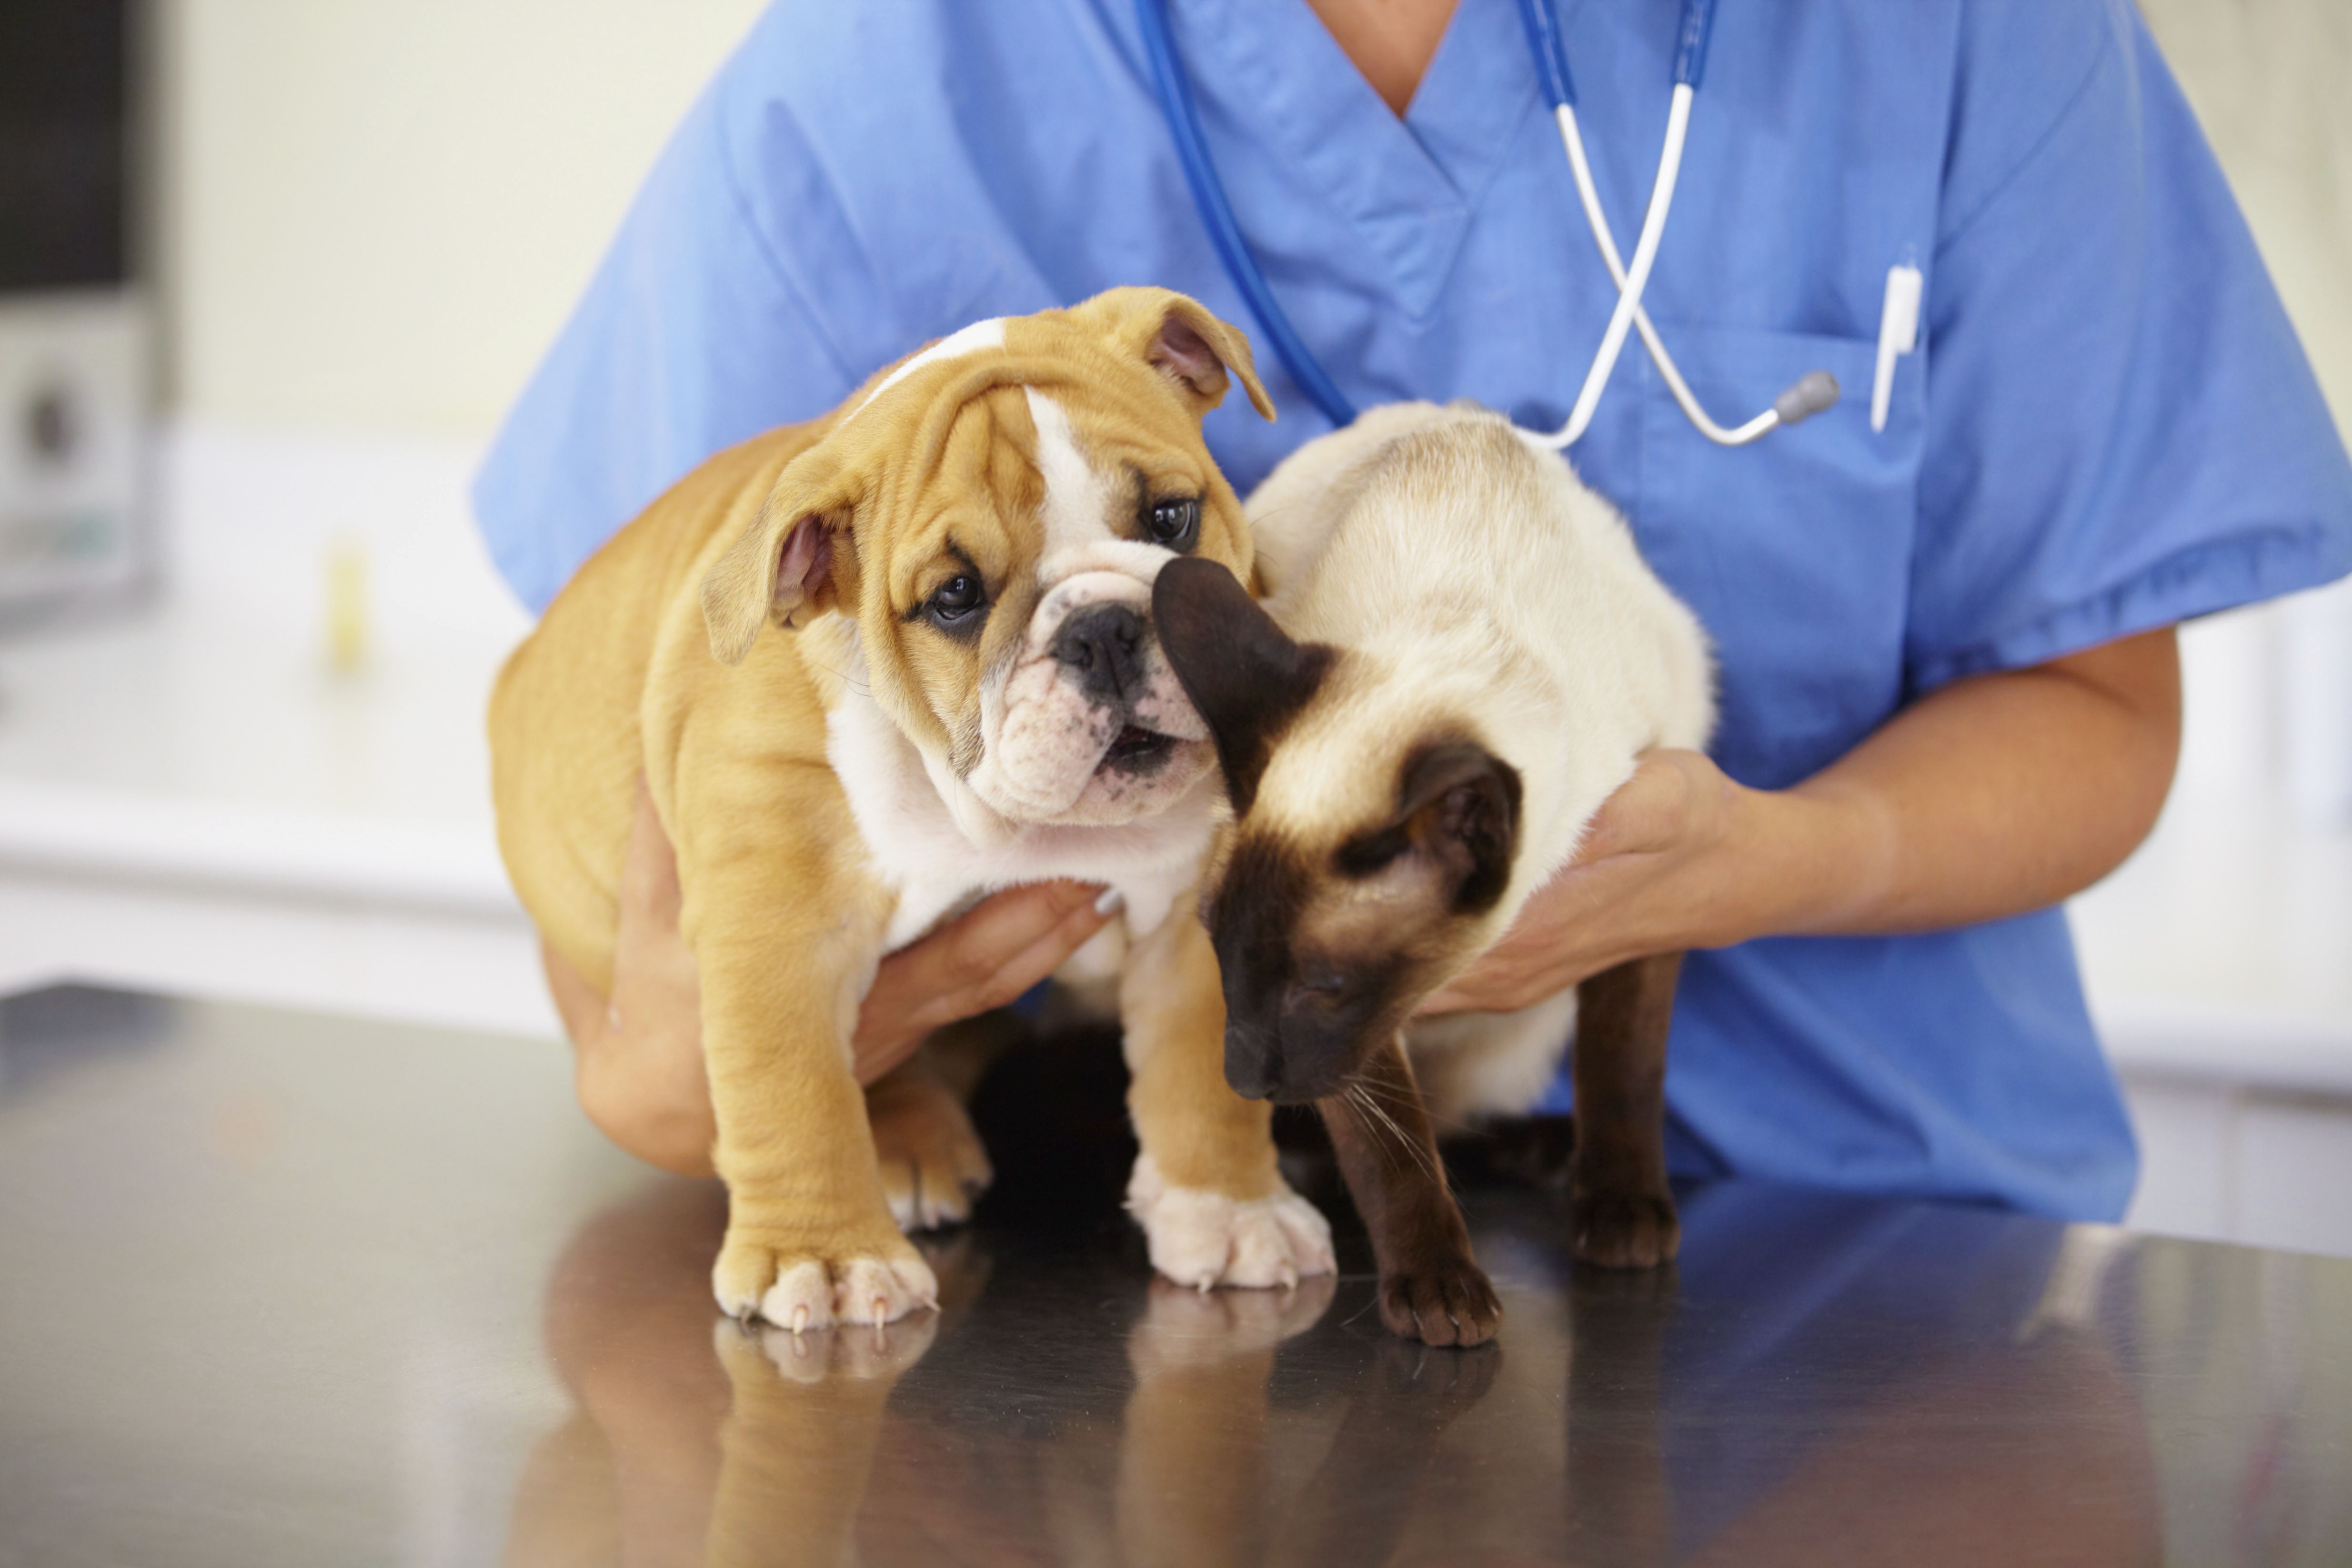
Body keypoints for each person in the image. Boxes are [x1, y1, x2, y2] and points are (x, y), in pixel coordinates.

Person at [477, 0, 2352, 1219]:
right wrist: (680, 1074)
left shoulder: (1959, 41)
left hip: (1835, 1223)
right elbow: (625, 726)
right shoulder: (880, 85)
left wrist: (1756, 862)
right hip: (1094, 1251)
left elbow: (2098, 715)